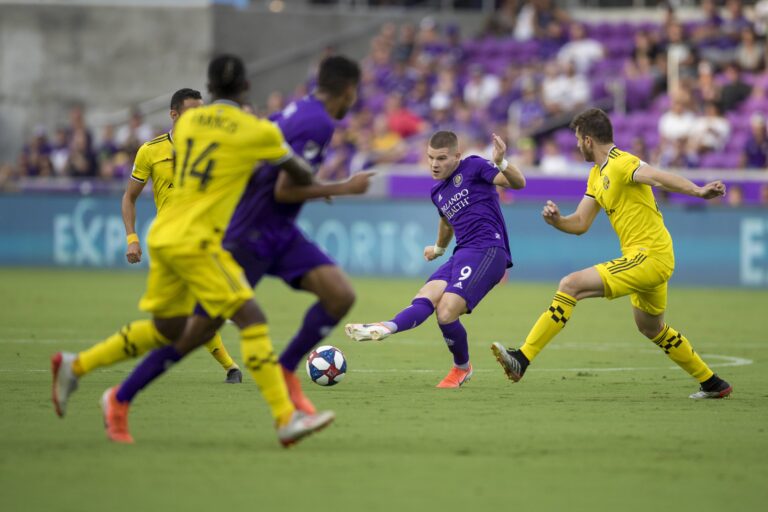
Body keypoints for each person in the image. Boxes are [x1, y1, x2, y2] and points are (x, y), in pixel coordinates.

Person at [98, 54, 334, 445]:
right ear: (244, 89)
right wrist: (334, 186)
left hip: (189, 238)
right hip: (199, 239)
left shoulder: (194, 130)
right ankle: (282, 412)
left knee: (179, 328)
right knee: (227, 320)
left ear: (210, 93)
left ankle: (96, 378)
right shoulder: (241, 130)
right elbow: (292, 172)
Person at [491, 108, 732, 400]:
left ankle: (523, 358)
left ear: (589, 140)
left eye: (579, 139)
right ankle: (712, 383)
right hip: (647, 258)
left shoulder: (622, 162)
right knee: (650, 327)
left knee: (570, 285)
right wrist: (557, 221)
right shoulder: (596, 175)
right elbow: (580, 223)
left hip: (650, 255)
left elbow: (657, 177)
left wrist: (698, 191)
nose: (577, 145)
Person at [50, 89, 243, 419]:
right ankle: (270, 398)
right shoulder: (151, 151)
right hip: (172, 243)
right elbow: (129, 198)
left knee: (173, 325)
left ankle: (79, 367)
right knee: (222, 305)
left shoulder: (211, 149)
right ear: (173, 114)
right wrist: (131, 238)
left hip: (203, 241)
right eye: (192, 111)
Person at [224, 55, 370, 414]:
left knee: (339, 295)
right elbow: (283, 191)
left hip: (278, 230)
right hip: (254, 232)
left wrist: (317, 185)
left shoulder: (297, 110)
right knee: (193, 329)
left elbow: (267, 159)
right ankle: (118, 397)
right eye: (356, 92)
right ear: (349, 89)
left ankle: (285, 370)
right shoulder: (318, 123)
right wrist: (344, 187)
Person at [345, 130, 526, 388]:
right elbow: (446, 222)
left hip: (488, 250)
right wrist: (439, 249)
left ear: (457, 156)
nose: (434, 164)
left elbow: (518, 183)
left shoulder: (474, 166)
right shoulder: (437, 191)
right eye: (430, 158)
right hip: (461, 253)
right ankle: (388, 327)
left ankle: (461, 369)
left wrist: (501, 161)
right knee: (426, 294)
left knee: (446, 310)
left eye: (441, 158)